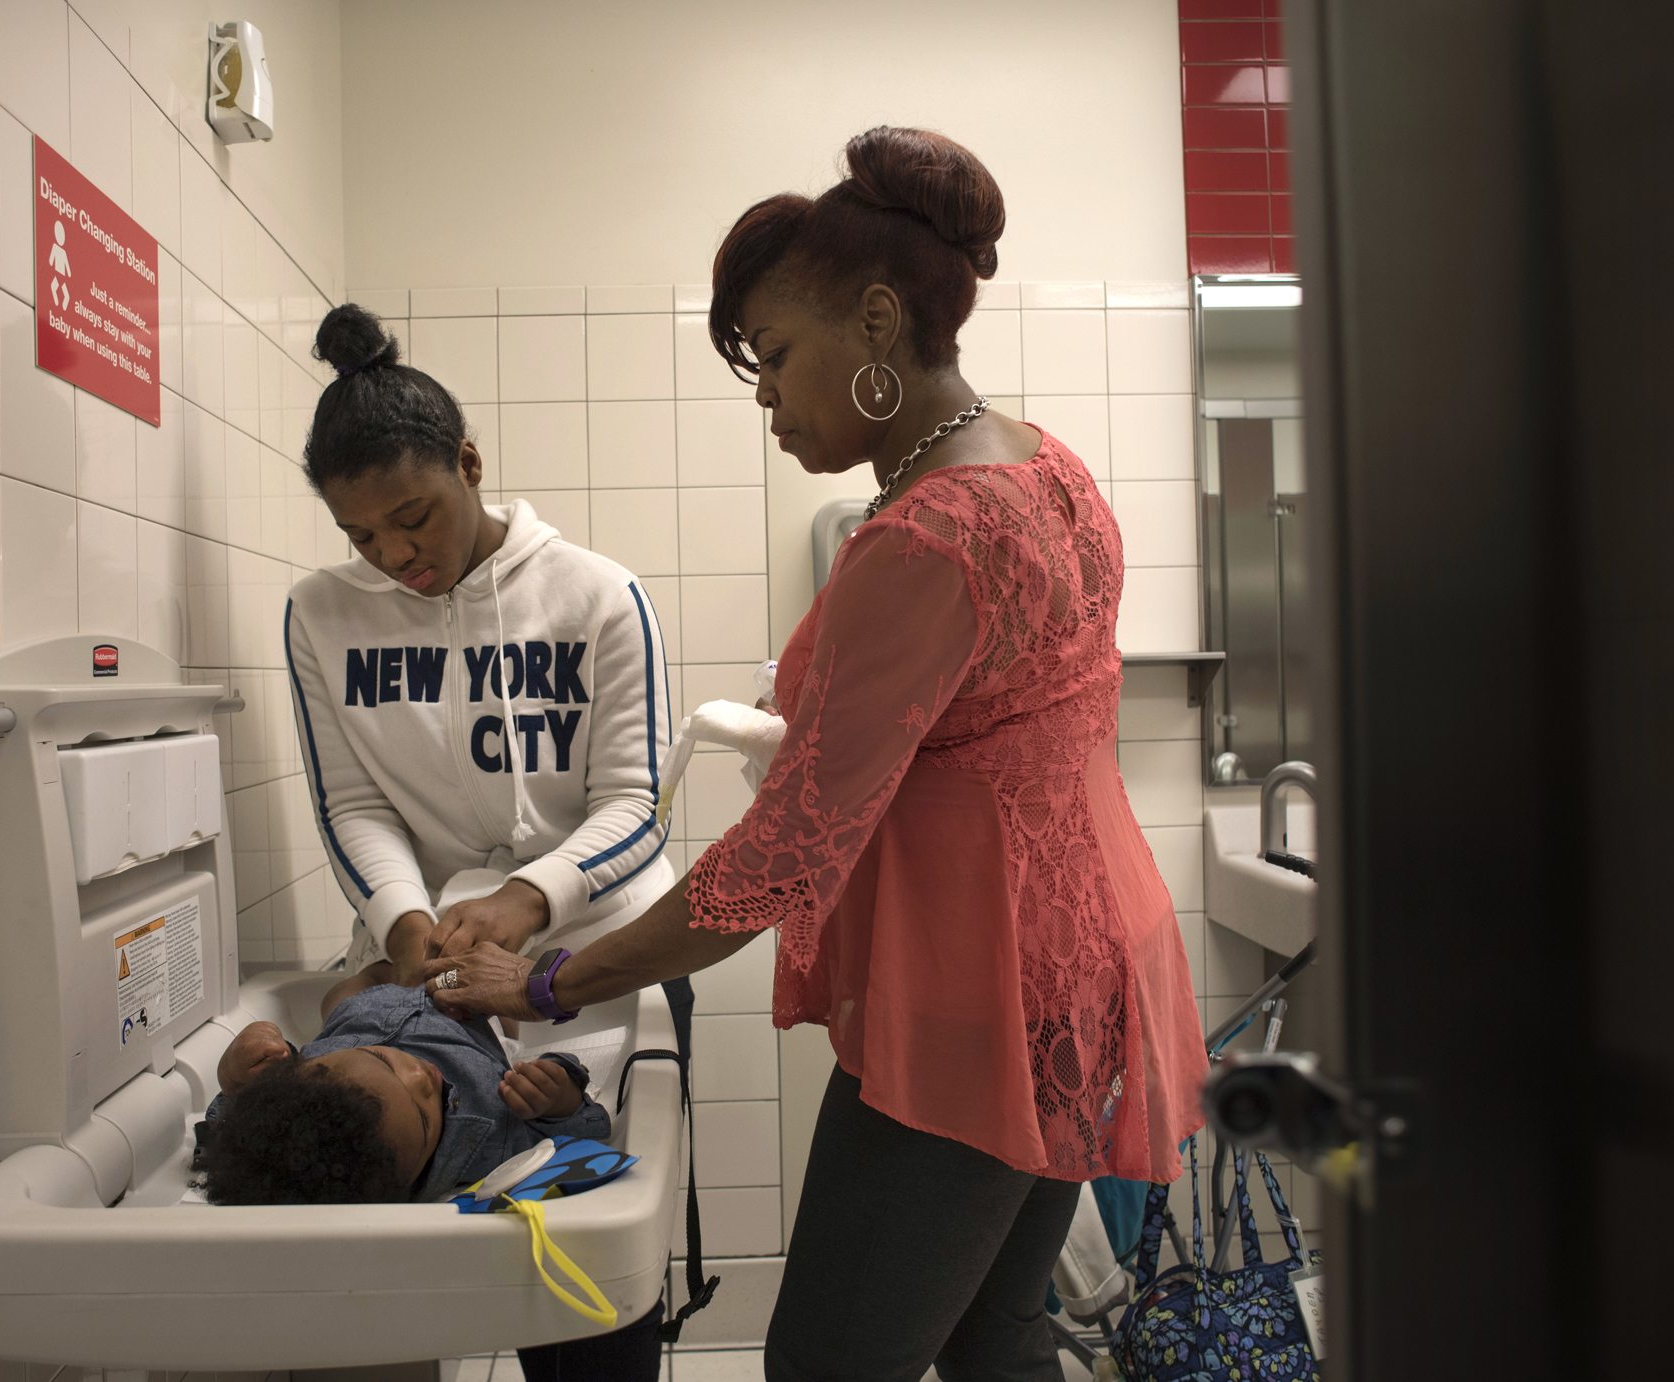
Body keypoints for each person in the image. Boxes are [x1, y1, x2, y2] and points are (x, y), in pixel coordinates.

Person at [419, 126, 1211, 1382]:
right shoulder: (1045, 466)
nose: (766, 399)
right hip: (1088, 960)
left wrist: (549, 981)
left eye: (777, 357)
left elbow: (774, 868)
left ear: (881, 322)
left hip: (978, 995)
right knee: (993, 1331)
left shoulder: (925, 536)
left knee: (829, 1361)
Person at [283, 305, 686, 1377]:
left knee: (587, 1264)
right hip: (435, 962)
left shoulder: (598, 595)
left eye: (412, 516)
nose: (393, 553)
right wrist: (400, 917)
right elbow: (351, 802)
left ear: (468, 462)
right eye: (361, 536)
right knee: (409, 1265)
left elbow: (637, 802)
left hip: (596, 952)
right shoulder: (320, 613)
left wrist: (528, 897)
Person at [200, 961, 611, 1207]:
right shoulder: (486, 1140)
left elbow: (237, 1125)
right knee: (499, 1011)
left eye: (382, 1060)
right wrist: (560, 1094)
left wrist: (239, 1075)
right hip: (464, 1011)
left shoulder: (299, 1102)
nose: (421, 1075)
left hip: (361, 1012)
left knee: (343, 996)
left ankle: (379, 967)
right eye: (424, 1114)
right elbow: (585, 1133)